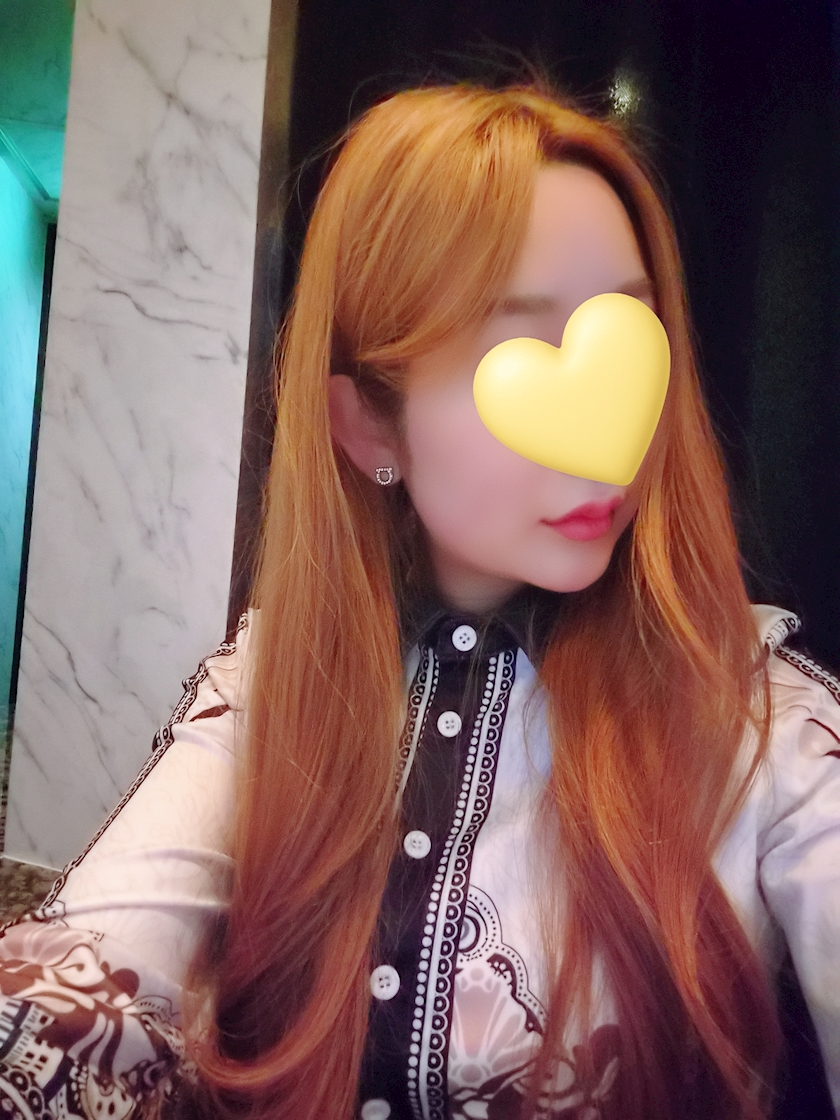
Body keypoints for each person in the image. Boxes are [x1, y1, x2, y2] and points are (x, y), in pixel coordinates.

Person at [0, 83, 837, 1120]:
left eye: (631, 338)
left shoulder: (764, 718)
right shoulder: (272, 682)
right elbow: (77, 993)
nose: (607, 432)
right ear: (368, 429)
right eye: (514, 350)